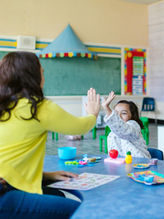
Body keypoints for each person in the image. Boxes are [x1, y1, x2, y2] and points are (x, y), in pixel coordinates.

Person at [0, 52, 100, 218]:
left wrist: (46, 176)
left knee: (58, 196)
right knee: (78, 210)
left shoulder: (5, 105)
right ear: (32, 75)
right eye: (42, 71)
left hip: (7, 185)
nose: (44, 74)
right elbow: (80, 127)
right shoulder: (38, 107)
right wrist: (93, 114)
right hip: (5, 194)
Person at [102, 91, 150, 158]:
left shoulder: (134, 126)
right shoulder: (113, 132)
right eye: (116, 113)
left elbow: (122, 130)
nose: (119, 116)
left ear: (132, 115)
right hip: (122, 164)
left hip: (140, 163)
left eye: (124, 113)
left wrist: (106, 107)